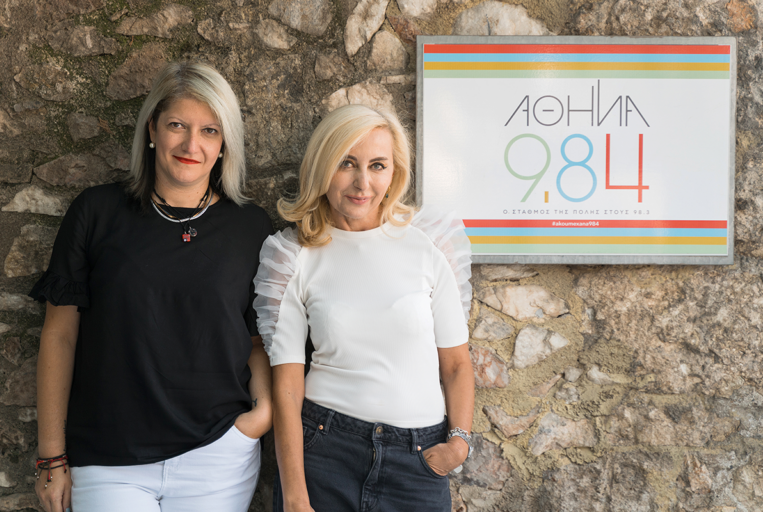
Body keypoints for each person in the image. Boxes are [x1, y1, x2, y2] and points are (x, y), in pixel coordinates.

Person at [30, 61, 273, 512]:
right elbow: (59, 335)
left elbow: (257, 339)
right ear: (152, 130)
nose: (191, 145)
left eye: (209, 131)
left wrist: (261, 416)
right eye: (177, 125)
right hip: (108, 458)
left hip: (218, 457)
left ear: (224, 145)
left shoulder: (251, 227)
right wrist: (51, 456)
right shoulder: (96, 212)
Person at [253, 104, 475, 512]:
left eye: (377, 166)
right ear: (322, 166)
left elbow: (457, 364)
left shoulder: (430, 244)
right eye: (346, 163)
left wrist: (458, 445)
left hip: (418, 462)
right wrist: (296, 496)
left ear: (394, 172)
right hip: (325, 453)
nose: (362, 183)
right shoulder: (292, 257)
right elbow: (287, 386)